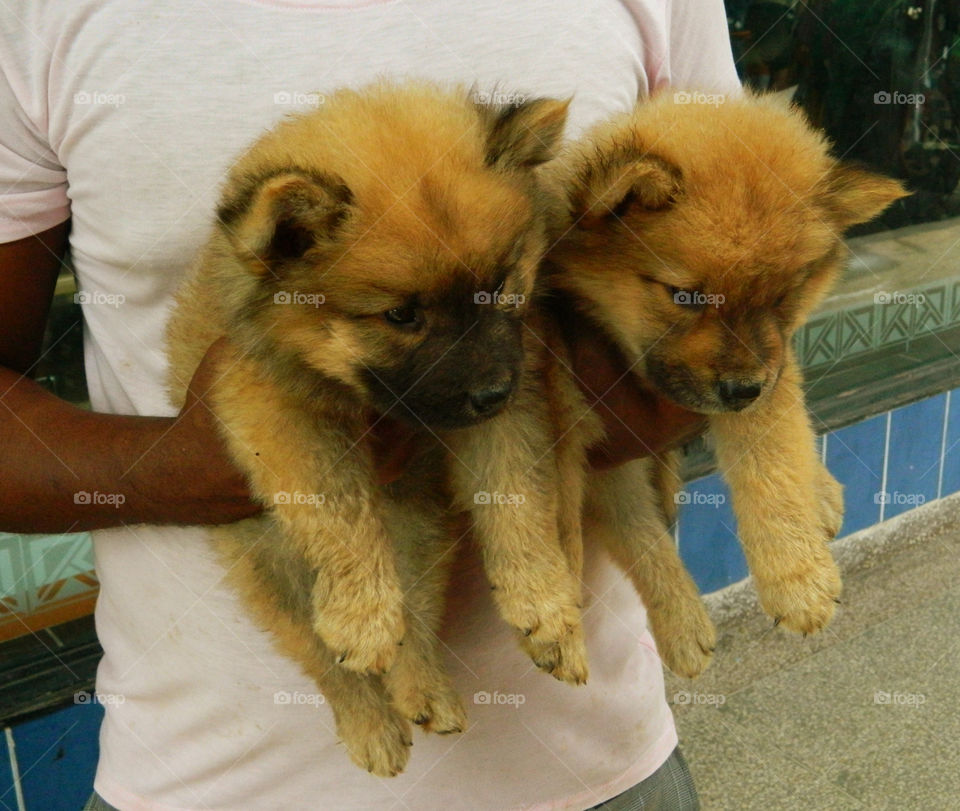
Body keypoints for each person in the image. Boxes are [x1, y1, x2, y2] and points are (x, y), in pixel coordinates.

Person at [0, 2, 738, 808]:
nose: (489, 370)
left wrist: (600, 404)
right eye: (403, 316)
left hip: (599, 769)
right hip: (205, 779)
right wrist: (199, 467)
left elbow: (739, 301)